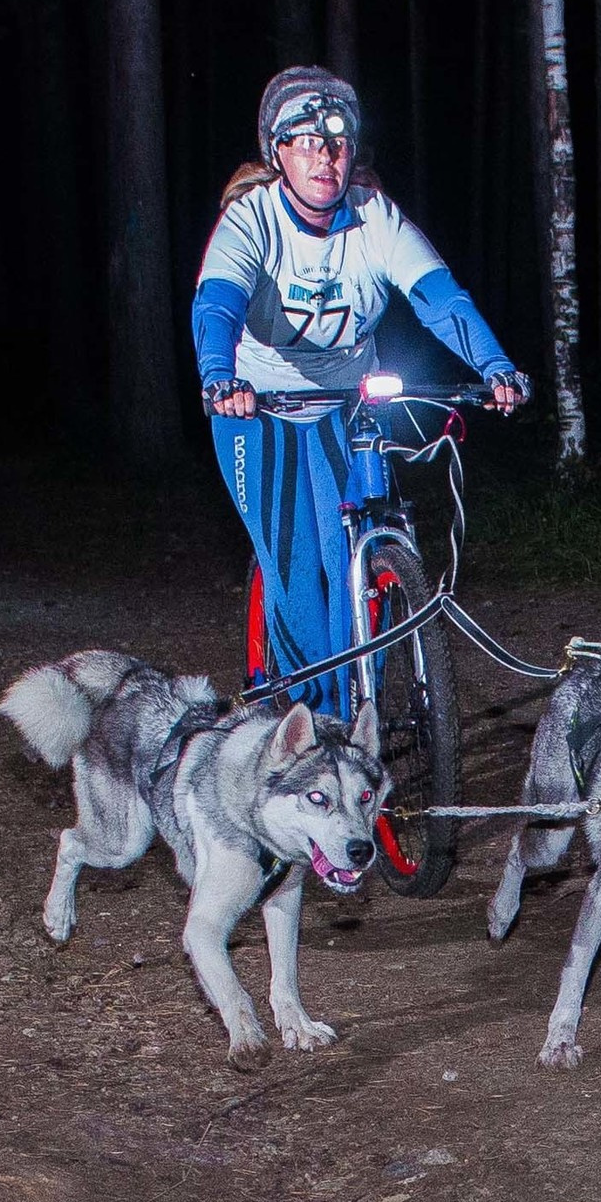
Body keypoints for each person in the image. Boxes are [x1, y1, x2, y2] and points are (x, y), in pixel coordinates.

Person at [193, 66, 527, 715]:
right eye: (306, 142)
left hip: (345, 401)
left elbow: (439, 297)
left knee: (347, 549)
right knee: (297, 573)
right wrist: (218, 375)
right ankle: (311, 726)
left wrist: (495, 366)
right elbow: (218, 303)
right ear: (277, 154)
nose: (325, 157)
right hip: (257, 407)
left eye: (338, 143)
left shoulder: (375, 218)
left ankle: (361, 708)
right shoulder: (251, 219)